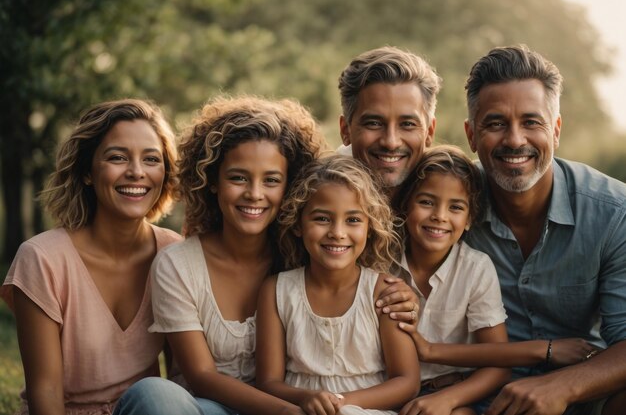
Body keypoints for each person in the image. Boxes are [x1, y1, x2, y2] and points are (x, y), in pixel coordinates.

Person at [112, 95, 328, 415]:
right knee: (152, 393)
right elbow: (201, 376)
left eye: (271, 180)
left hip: (295, 403)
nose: (254, 194)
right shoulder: (178, 265)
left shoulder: (305, 259)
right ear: (213, 180)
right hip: (207, 409)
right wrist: (286, 413)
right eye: (238, 177)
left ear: (289, 187)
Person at [462, 45, 626, 415]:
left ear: (555, 130)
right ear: (471, 135)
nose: (515, 140)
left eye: (531, 122)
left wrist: (560, 387)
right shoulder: (445, 207)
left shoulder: (614, 212)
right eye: (495, 123)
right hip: (476, 399)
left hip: (586, 393)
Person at [0, 99, 182, 415]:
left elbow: (180, 377)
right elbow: (46, 390)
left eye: (151, 159)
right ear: (87, 171)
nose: (136, 172)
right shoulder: (42, 259)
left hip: (145, 408)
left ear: (164, 173)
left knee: (159, 394)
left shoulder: (173, 253)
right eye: (117, 157)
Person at [256, 155, 420, 415]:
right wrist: (307, 398)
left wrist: (340, 404)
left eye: (353, 220)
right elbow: (267, 382)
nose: (337, 232)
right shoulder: (277, 291)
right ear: (299, 224)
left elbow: (407, 381)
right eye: (322, 219)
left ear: (369, 227)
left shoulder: (383, 291)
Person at [390, 145, 509, 415]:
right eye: (426, 202)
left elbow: (498, 363)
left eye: (455, 207)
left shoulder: (476, 269)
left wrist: (447, 400)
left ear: (469, 219)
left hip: (454, 394)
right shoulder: (381, 261)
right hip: (388, 391)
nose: (439, 216)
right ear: (405, 206)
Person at [337, 46, 441, 199]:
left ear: (429, 132)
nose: (391, 143)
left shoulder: (458, 198)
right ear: (346, 130)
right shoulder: (313, 200)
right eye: (374, 123)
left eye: (407, 124)